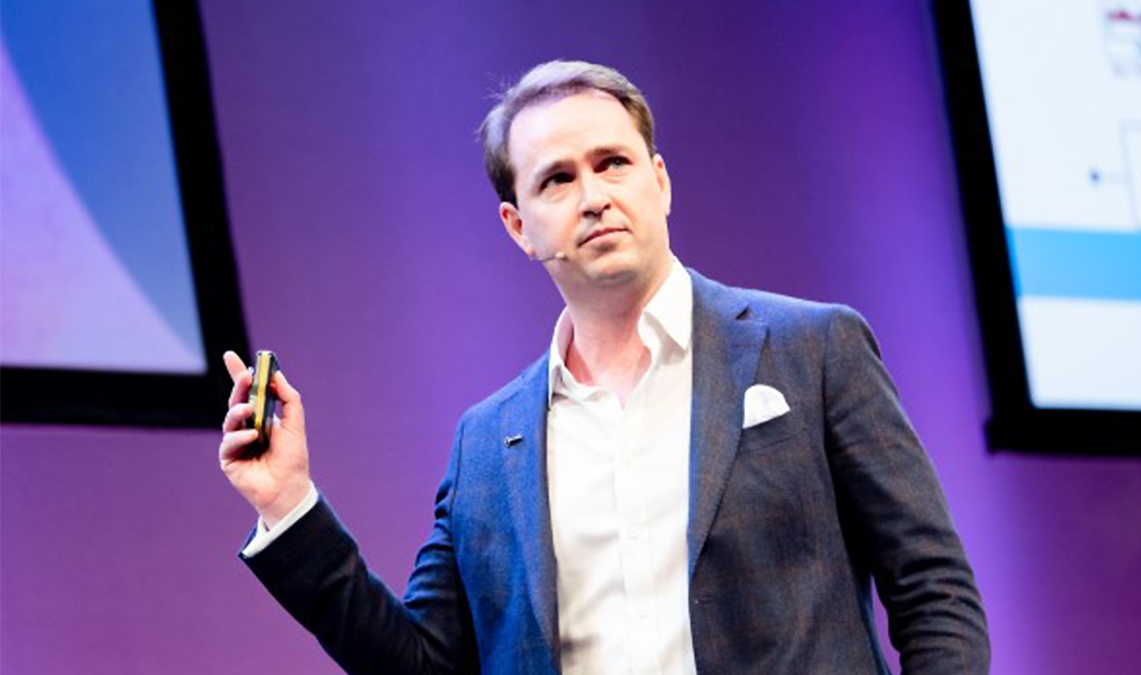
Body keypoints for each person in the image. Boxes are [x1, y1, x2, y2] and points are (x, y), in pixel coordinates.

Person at [220, 60, 989, 675]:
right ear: (518, 226)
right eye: (557, 179)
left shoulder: (811, 349)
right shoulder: (486, 444)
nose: (592, 197)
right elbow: (423, 663)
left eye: (612, 163)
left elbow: (933, 588)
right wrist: (288, 504)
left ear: (660, 181)